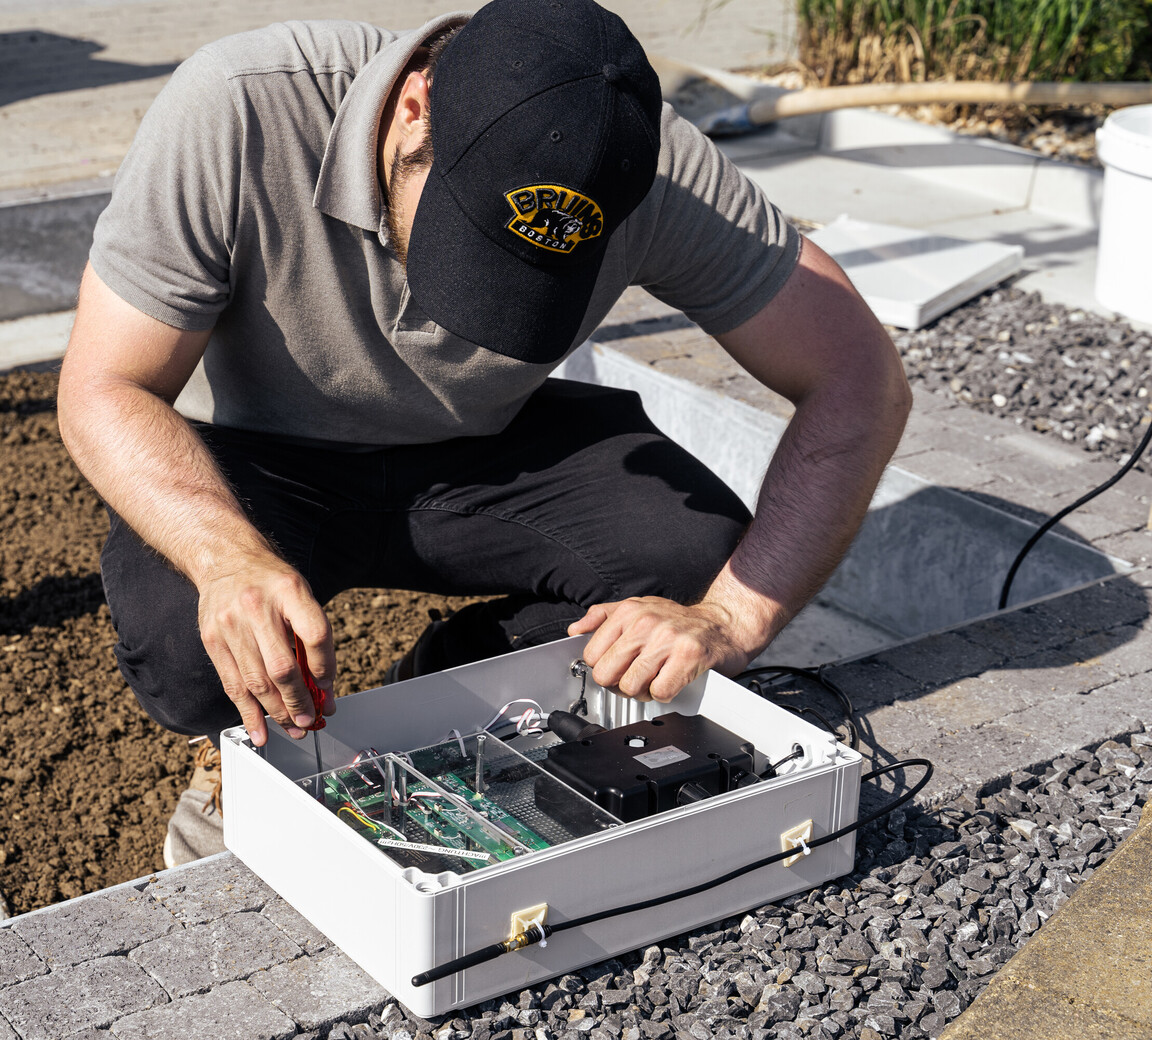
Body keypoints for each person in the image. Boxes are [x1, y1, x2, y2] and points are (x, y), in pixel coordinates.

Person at [58, 0, 911, 866]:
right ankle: (244, 753)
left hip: (484, 445)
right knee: (184, 627)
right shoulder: (242, 105)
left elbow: (860, 380)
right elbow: (104, 385)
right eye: (465, 242)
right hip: (261, 455)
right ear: (416, 107)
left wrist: (731, 616)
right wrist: (225, 560)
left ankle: (444, 702)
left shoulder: (645, 166)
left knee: (693, 571)